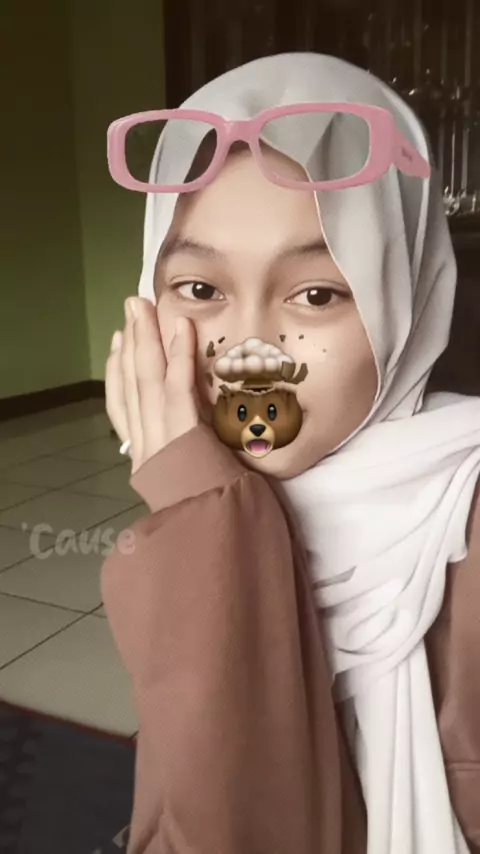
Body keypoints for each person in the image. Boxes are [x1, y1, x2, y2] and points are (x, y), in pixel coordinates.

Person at [102, 52, 480, 853]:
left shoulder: (467, 519)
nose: (250, 351)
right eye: (200, 290)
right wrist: (201, 512)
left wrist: (207, 521)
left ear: (403, 302)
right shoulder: (185, 502)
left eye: (316, 294)